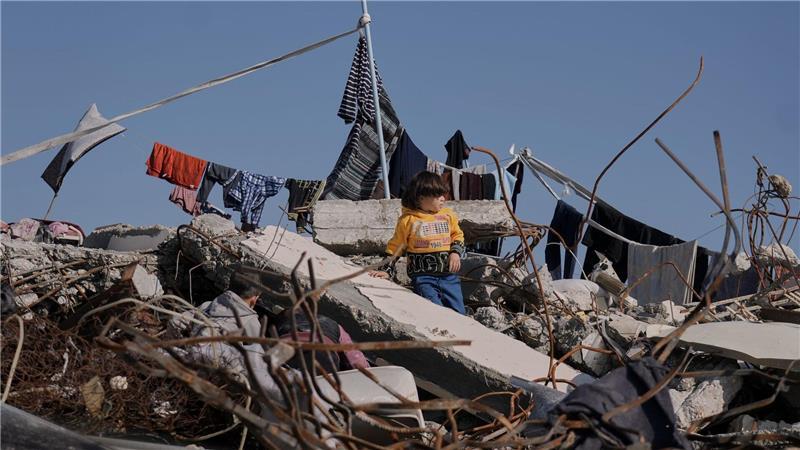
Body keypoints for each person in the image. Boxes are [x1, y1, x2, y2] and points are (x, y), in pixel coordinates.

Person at [370, 172, 467, 314]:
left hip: (448, 276)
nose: (443, 199)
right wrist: (386, 270)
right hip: (423, 278)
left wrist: (455, 253)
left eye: (443, 194)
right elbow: (396, 246)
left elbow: (457, 235)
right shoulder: (408, 220)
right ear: (421, 198)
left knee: (459, 312)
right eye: (437, 195)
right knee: (433, 310)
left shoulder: (447, 216)